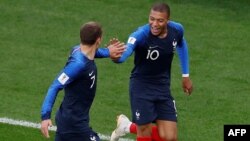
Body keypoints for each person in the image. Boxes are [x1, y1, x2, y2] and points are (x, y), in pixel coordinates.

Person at [110, 2, 193, 141]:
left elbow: (181, 44)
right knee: (145, 134)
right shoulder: (141, 34)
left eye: (160, 20)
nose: (154, 24)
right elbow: (126, 52)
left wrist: (186, 75)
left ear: (168, 20)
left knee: (170, 137)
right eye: (151, 19)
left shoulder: (177, 30)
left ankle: (126, 126)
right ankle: (129, 126)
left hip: (162, 88)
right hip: (141, 87)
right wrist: (116, 57)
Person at [40, 21, 125, 141]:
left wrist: (108, 52)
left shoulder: (78, 50)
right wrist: (45, 116)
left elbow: (93, 52)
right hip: (73, 124)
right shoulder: (77, 65)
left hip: (71, 119)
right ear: (98, 40)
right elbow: (55, 86)